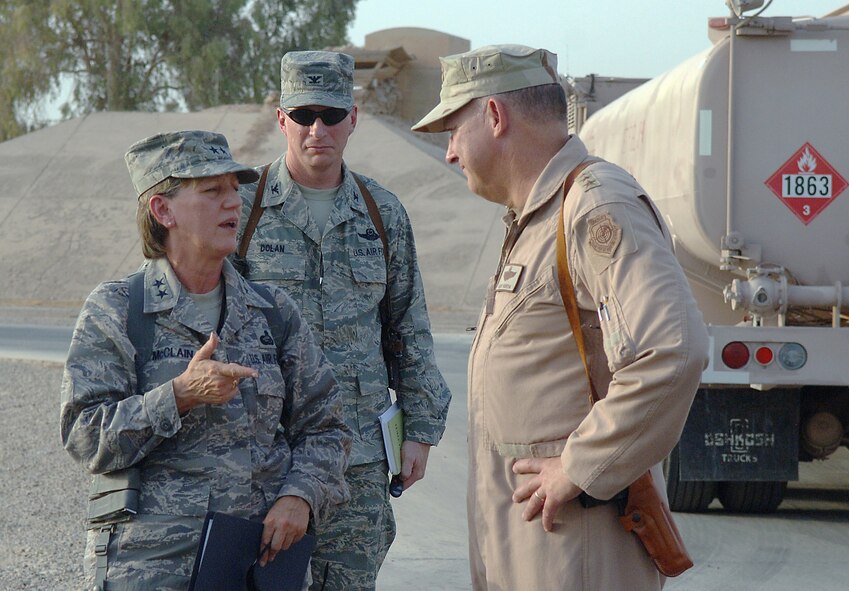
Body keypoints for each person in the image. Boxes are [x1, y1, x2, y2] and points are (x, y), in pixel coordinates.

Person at [412, 45, 710, 590]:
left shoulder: (596, 205)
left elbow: (673, 350)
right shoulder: (536, 217)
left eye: (453, 130)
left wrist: (578, 467)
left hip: (579, 544)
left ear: (494, 116)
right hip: (535, 543)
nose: (450, 152)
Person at [60, 130, 351, 590]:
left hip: (256, 565)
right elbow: (84, 436)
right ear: (163, 210)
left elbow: (327, 427)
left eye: (235, 189)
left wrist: (301, 496)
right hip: (152, 567)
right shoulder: (117, 309)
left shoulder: (272, 311)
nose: (234, 204)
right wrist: (177, 396)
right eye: (213, 191)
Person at [235, 51, 452, 591]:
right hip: (265, 454)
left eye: (331, 115)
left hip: (357, 459)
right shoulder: (242, 209)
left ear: (353, 118)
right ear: (281, 118)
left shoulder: (382, 213)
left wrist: (419, 432)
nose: (317, 129)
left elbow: (409, 327)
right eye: (303, 114)